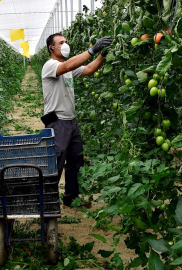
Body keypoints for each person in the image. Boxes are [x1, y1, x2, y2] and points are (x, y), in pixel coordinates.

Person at [41, 33, 112, 207]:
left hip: (71, 122)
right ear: (52, 48)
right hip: (57, 122)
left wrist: (102, 55)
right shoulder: (50, 66)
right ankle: (47, 201)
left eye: (66, 41)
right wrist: (92, 50)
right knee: (55, 162)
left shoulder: (69, 67)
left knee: (75, 161)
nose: (65, 44)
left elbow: (88, 69)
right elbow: (66, 66)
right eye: (61, 42)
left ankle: (71, 198)